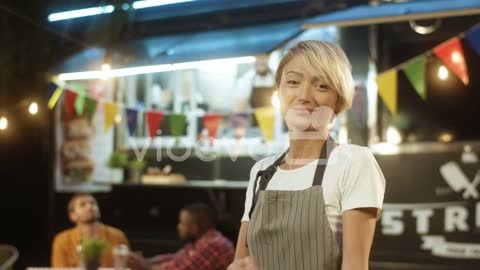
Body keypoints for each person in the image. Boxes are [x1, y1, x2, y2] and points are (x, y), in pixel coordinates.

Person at [228, 41, 386, 270]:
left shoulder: (353, 162)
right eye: (292, 82)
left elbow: (355, 266)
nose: (304, 95)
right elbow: (241, 262)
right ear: (278, 91)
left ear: (338, 100)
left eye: (321, 86)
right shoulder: (262, 172)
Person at [128, 203, 234, 270]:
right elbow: (175, 258)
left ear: (194, 227)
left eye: (182, 223)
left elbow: (181, 268)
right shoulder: (199, 241)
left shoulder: (212, 245)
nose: (178, 227)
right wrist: (146, 260)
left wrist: (143, 265)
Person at [51, 193, 130, 267]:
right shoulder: (61, 240)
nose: (90, 207)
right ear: (72, 215)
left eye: (93, 203)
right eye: (83, 205)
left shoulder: (118, 236)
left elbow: (128, 266)